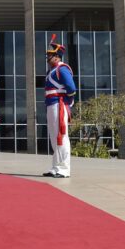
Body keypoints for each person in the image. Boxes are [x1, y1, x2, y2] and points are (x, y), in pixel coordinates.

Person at [43, 34, 77, 178]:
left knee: (61, 136)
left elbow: (71, 88)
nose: (48, 58)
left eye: (50, 55)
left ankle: (64, 169)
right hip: (52, 105)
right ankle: (56, 167)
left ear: (57, 56)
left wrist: (68, 102)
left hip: (59, 105)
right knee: (53, 136)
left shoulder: (61, 69)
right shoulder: (52, 70)